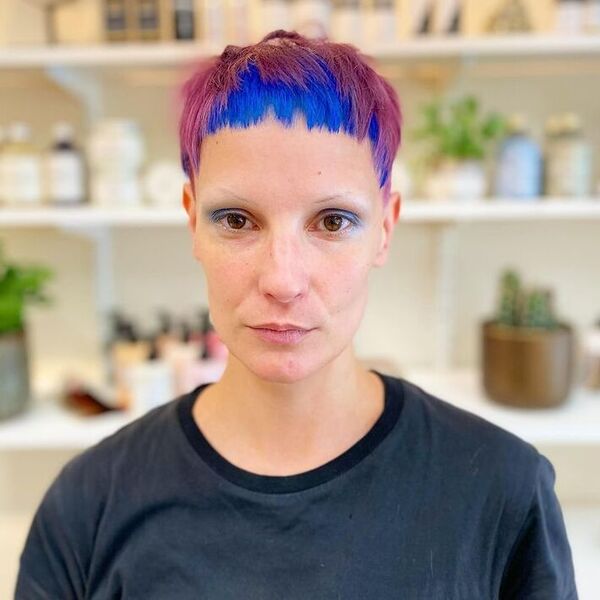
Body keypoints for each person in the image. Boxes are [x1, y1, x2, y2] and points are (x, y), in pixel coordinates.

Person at [15, 29, 578, 599]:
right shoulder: (88, 506)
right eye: (236, 220)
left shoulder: (504, 493)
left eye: (332, 221)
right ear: (191, 221)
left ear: (385, 228)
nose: (282, 280)